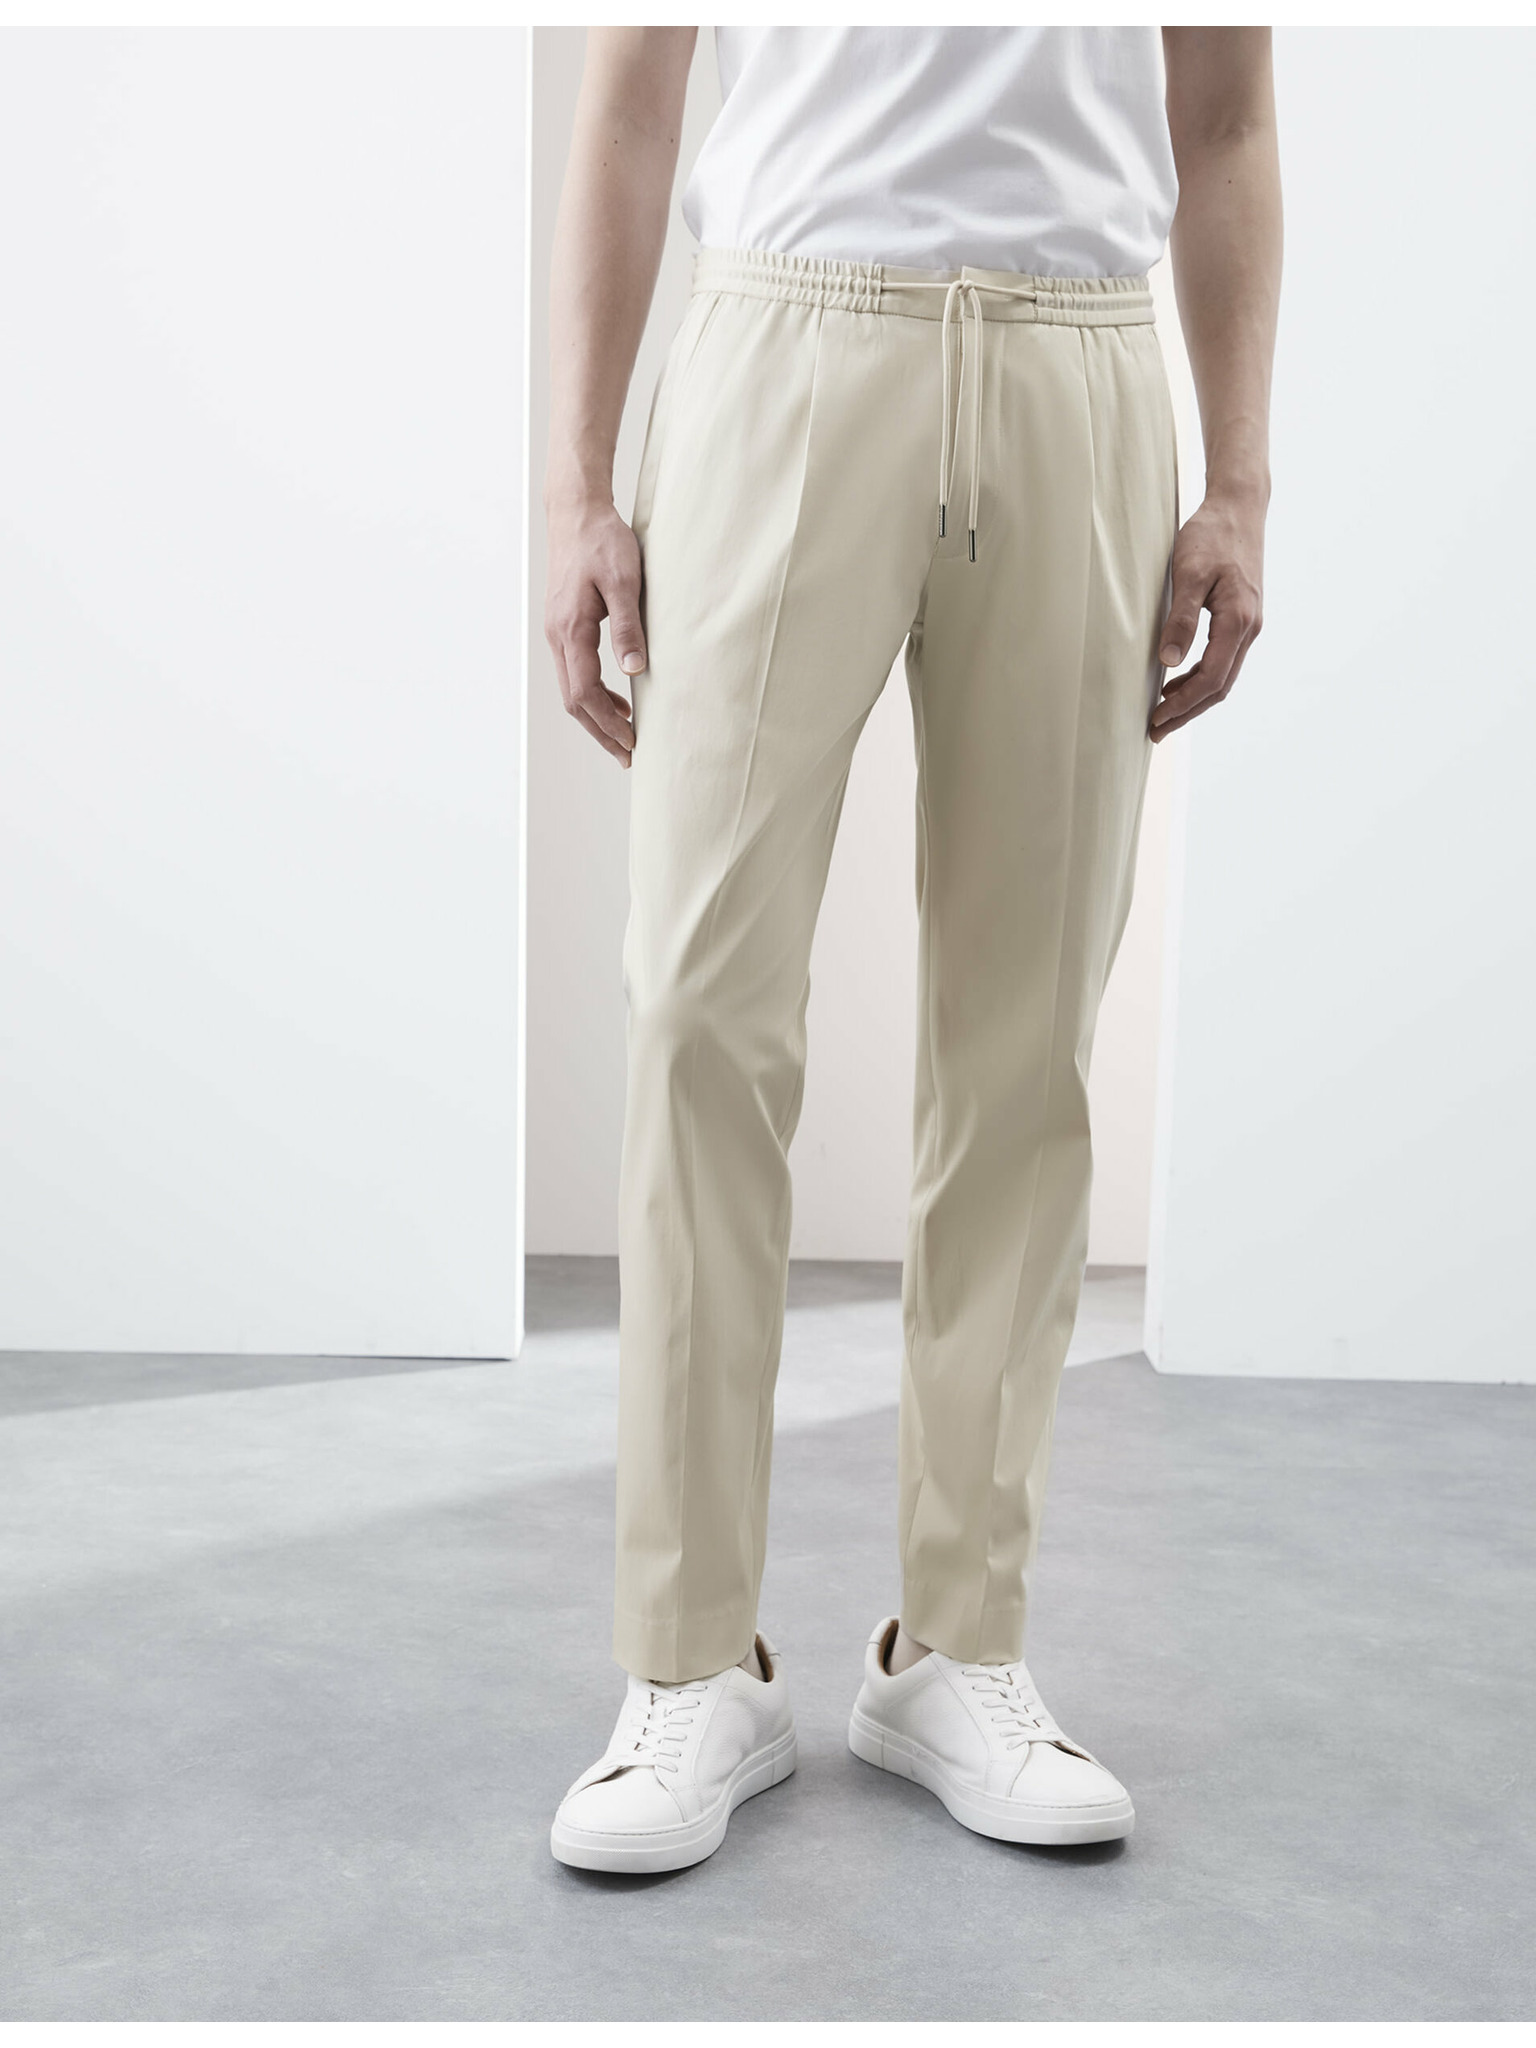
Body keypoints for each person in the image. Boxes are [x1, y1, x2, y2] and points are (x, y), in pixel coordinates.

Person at [543, 26, 1280, 1874]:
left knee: (1026, 1039)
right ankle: (691, 1664)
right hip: (782, 341)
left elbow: (1226, 116)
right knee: (699, 1011)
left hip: (1081, 368)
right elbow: (629, 106)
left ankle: (959, 1645)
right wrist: (571, 488)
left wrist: (1241, 481)